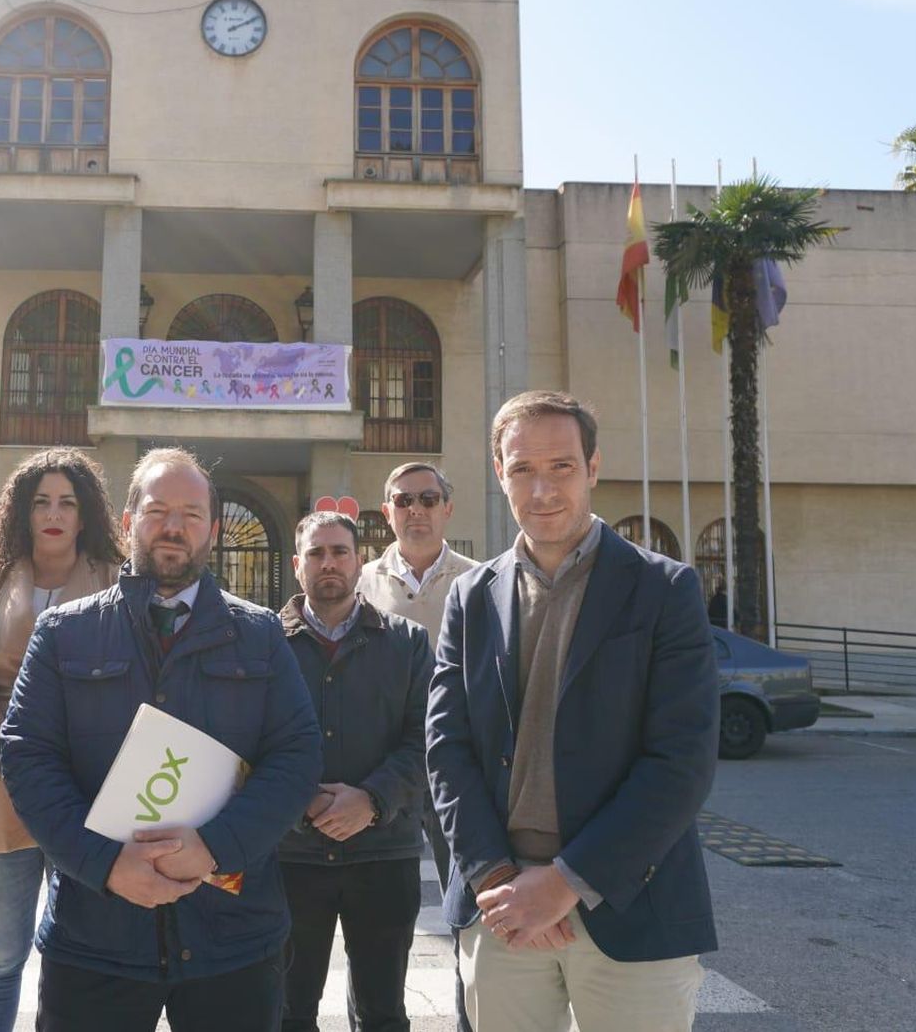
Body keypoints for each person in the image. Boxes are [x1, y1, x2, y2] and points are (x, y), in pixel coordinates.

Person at [425, 390, 720, 1032]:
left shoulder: (665, 590)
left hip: (631, 906)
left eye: (560, 466)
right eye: (522, 468)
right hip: (498, 908)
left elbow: (682, 761)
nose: (542, 489)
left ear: (593, 467)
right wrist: (498, 878)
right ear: (500, 473)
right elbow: (446, 750)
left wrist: (564, 883)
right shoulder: (471, 598)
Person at [0, 447, 321, 1032]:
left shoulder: (261, 636)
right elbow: (28, 760)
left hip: (234, 939)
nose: (175, 527)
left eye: (192, 514)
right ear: (127, 522)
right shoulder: (63, 634)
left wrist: (215, 847)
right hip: (96, 937)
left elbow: (297, 758)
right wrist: (106, 864)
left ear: (214, 530)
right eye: (157, 510)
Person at [0, 448, 123, 1031]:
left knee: (77, 953)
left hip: (89, 791)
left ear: (85, 515)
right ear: (22, 512)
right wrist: (1, 749)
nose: (54, 513)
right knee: (0, 958)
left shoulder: (115, 580)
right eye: (41, 501)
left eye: (67, 502)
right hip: (1, 785)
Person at [277, 511, 431, 1032]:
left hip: (383, 853)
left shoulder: (408, 643)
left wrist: (371, 801)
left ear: (359, 561)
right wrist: (301, 802)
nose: (329, 564)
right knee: (286, 1012)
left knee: (383, 1013)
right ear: (298, 565)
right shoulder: (264, 644)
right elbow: (245, 741)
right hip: (289, 857)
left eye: (340, 552)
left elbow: (427, 739)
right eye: (317, 554)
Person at [357, 461, 478, 891]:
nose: (416, 510)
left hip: (461, 752)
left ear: (447, 508)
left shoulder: (479, 580)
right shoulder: (362, 583)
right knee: (382, 899)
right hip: (389, 758)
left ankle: (468, 958)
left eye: (428, 499)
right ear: (387, 512)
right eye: (403, 500)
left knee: (465, 883)